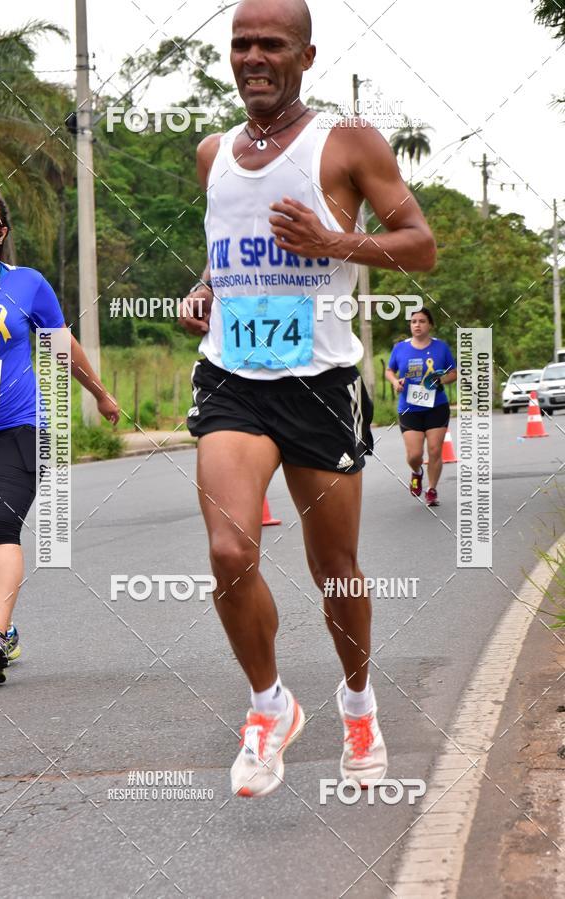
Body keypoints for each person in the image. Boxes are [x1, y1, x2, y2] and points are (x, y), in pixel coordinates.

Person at [180, 0, 436, 797]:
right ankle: (269, 705)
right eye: (240, 44)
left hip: (320, 383)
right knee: (229, 551)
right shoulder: (212, 152)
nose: (253, 57)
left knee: (336, 570)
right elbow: (228, 252)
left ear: (306, 55)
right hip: (232, 378)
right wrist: (203, 288)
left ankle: (358, 702)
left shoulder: (348, 142)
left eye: (271, 45)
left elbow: (419, 246)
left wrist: (333, 241)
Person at [0, 187, 119, 685]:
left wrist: (99, 392)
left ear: (2, 234)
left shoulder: (27, 284)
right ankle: (3, 633)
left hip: (18, 428)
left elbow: (60, 345)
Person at [385, 307, 457, 507]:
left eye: (422, 321)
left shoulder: (441, 348)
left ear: (430, 325)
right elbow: (390, 370)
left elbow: (454, 373)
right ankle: (417, 472)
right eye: (413, 321)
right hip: (409, 408)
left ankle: (432, 490)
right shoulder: (400, 348)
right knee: (415, 455)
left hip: (436, 406)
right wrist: (394, 382)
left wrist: (441, 379)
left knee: (435, 450)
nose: (417, 325)